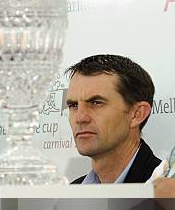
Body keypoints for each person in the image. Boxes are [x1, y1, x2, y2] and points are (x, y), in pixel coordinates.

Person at [65, 54, 160, 184]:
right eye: (73, 105)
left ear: (137, 114)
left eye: (96, 102)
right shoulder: (72, 191)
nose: (80, 118)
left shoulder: (166, 191)